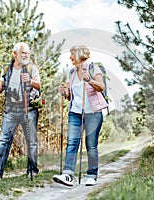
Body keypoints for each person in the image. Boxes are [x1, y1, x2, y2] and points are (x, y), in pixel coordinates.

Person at [0, 42, 41, 181]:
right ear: (15, 54)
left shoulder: (32, 68)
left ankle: (32, 170)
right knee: (3, 140)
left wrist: (30, 81)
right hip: (11, 109)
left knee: (31, 141)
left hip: (29, 108)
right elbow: (2, 85)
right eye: (23, 53)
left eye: (28, 53)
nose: (26, 55)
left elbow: (38, 84)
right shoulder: (7, 68)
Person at [53, 45, 108, 187]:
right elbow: (70, 95)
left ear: (78, 55)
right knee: (72, 143)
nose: (70, 57)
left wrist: (89, 79)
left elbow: (101, 87)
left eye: (72, 54)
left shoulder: (93, 68)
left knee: (91, 145)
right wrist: (64, 91)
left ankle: (92, 175)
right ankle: (68, 175)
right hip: (75, 112)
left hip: (93, 113)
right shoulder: (71, 72)